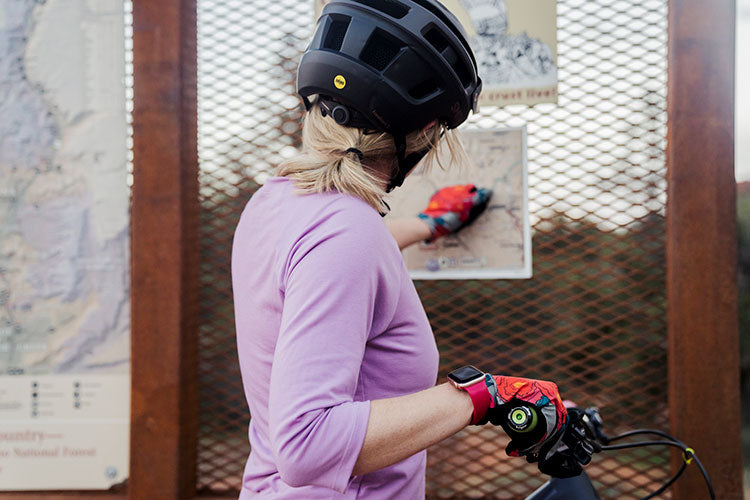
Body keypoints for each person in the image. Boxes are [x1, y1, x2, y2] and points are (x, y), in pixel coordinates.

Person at [231, 0, 567, 498]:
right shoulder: (348, 232)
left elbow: (326, 267)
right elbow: (307, 445)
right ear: (426, 133)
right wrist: (482, 397)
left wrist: (427, 225)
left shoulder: (276, 202)